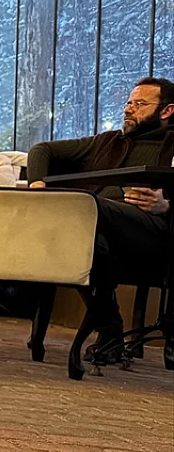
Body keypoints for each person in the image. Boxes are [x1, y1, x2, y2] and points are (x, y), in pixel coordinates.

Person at [27, 76, 174, 347]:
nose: (128, 109)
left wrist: (166, 205)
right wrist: (37, 188)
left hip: (152, 233)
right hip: (95, 229)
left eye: (140, 104)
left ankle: (107, 325)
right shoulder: (107, 141)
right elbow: (41, 150)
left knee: (86, 210)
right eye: (128, 103)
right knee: (82, 232)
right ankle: (110, 326)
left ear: (166, 111)